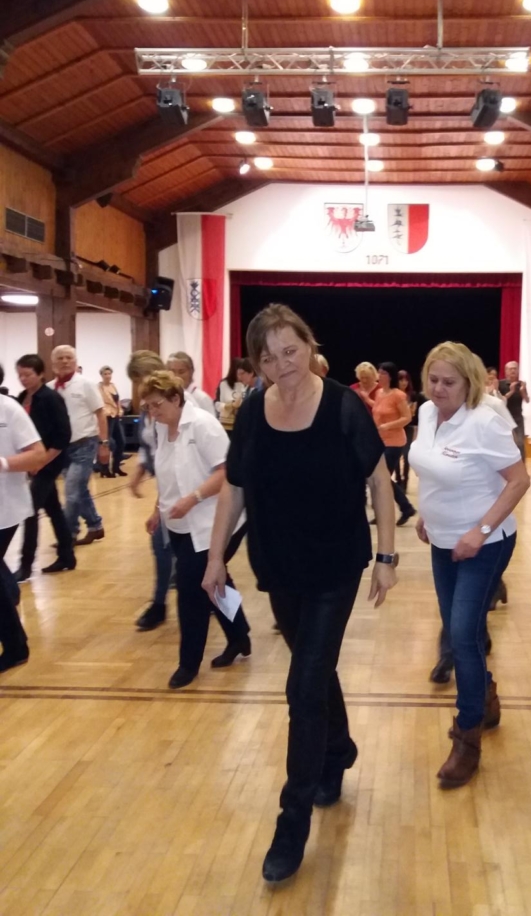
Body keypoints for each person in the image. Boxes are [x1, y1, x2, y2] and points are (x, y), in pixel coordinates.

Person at [203, 303, 397, 883]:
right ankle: (338, 750)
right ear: (256, 363)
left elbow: (379, 481)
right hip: (278, 564)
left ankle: (292, 824)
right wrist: (215, 557)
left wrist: (387, 557)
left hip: (336, 565)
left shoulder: (342, 406)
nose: (282, 364)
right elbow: (235, 487)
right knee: (316, 670)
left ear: (309, 346)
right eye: (268, 357)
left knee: (303, 685)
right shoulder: (253, 412)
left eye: (291, 351)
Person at [410, 342, 529, 789]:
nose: (439, 389)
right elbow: (432, 468)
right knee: (464, 630)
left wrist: (479, 530)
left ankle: (467, 735)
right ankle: (487, 696)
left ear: (469, 384)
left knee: (461, 635)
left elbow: (519, 481)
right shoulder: (426, 413)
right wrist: (427, 512)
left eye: (449, 382)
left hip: (487, 543)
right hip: (442, 540)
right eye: (433, 380)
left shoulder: (484, 422)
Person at [141, 371, 250, 689]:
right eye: (148, 406)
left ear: (176, 399)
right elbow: (168, 474)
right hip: (178, 523)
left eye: (157, 404)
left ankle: (188, 664)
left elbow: (227, 472)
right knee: (215, 581)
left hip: (213, 522)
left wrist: (193, 498)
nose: (152, 412)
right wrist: (158, 509)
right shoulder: (162, 427)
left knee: (190, 592)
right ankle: (239, 634)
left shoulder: (203, 425)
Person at [0, 364, 46, 672]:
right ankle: (11, 591)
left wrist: (3, 463)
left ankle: (16, 646)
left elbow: (37, 455)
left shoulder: (9, 409)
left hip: (5, 508)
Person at [127, 350, 175, 631]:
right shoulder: (149, 411)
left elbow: (175, 459)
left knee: (211, 566)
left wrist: (160, 505)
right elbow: (150, 447)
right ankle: (159, 605)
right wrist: (139, 472)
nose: (140, 385)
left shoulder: (176, 407)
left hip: (194, 493)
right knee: (162, 547)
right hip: (171, 491)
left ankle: (235, 621)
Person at [15, 354, 75, 579]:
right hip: (33, 463)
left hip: (49, 462)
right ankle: (67, 556)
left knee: (29, 511)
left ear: (40, 374)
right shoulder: (22, 397)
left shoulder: (50, 398)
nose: (23, 379)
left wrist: (41, 461)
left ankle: (25, 565)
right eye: (20, 375)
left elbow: (63, 435)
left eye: (28, 374)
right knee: (54, 509)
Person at [50, 345, 110, 546]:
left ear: (75, 362)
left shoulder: (86, 384)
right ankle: (95, 525)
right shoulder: (50, 389)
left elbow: (100, 414)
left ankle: (68, 535)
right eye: (60, 358)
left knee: (71, 491)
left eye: (69, 357)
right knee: (79, 490)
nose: (65, 361)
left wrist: (104, 444)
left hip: (84, 445)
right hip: (61, 449)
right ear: (53, 363)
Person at [373, 361, 416, 526]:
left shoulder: (398, 395)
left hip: (394, 442)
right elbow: (377, 411)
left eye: (383, 373)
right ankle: (404, 508)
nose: (379, 375)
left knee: (381, 477)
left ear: (390, 376)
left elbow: (407, 417)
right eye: (379, 372)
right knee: (381, 479)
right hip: (380, 440)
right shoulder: (379, 393)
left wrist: (388, 425)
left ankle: (404, 508)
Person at [499, 360, 530, 467]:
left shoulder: (521, 384)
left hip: (517, 419)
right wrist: (511, 391)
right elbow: (500, 400)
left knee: (520, 443)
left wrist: (523, 391)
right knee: (504, 444)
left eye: (515, 369)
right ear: (505, 371)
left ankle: (522, 468)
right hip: (503, 418)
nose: (513, 371)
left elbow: (527, 400)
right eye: (510, 369)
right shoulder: (500, 384)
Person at [98, 365, 127, 477]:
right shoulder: (99, 387)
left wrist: (120, 410)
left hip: (115, 416)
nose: (107, 376)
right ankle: (104, 469)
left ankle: (116, 467)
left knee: (121, 442)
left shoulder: (113, 385)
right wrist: (107, 412)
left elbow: (117, 401)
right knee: (107, 443)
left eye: (109, 373)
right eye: (105, 374)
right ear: (101, 375)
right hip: (106, 417)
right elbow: (100, 403)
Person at [397, 369, 420, 489]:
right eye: (401, 380)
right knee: (396, 455)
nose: (404, 382)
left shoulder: (413, 395)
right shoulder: (393, 393)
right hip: (395, 427)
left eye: (406, 380)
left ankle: (405, 481)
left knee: (406, 455)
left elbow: (412, 413)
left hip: (408, 427)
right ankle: (398, 479)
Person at [215, 357, 246, 438]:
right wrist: (230, 405)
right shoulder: (224, 384)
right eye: (240, 373)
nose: (241, 376)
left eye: (243, 373)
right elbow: (217, 404)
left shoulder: (246, 384)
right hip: (226, 425)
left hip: (242, 424)